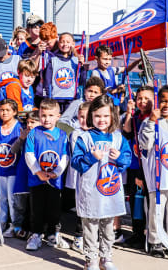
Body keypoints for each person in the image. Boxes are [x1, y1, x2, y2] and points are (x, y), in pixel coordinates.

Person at [71, 94, 132, 270]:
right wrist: (91, 157)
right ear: (91, 116)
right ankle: (91, 259)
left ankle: (106, 257)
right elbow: (76, 162)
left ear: (112, 116)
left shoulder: (118, 138)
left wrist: (120, 157)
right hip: (91, 192)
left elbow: (127, 159)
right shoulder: (85, 138)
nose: (102, 120)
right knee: (90, 227)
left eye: (106, 116)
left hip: (109, 191)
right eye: (97, 116)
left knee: (107, 227)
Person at [138, 84, 168, 258]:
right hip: (158, 178)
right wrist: (151, 121)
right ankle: (155, 241)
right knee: (156, 211)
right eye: (163, 101)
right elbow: (145, 145)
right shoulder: (149, 122)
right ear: (158, 101)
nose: (167, 105)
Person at [24, 99, 69, 251]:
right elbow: (29, 154)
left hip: (54, 181)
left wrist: (56, 173)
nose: (46, 119)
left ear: (58, 116)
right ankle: (36, 234)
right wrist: (38, 172)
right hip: (37, 180)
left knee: (54, 208)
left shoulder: (62, 135)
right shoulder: (34, 133)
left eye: (51, 115)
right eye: (43, 115)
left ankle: (52, 234)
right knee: (37, 208)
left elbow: (65, 157)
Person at [120, 85, 153, 249]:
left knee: (151, 202)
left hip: (150, 168)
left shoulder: (154, 119)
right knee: (136, 201)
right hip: (135, 166)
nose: (143, 101)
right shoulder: (135, 118)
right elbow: (126, 133)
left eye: (147, 98)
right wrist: (128, 112)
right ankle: (138, 233)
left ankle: (151, 233)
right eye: (140, 98)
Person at [0, 99, 23, 237]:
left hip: (13, 169)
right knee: (1, 197)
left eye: (8, 110)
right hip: (0, 168)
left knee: (12, 199)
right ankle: (1, 222)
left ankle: (14, 225)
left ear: (14, 112)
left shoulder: (18, 127)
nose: (4, 113)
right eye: (2, 110)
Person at [64, 101, 91, 253]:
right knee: (81, 208)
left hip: (93, 179)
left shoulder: (96, 132)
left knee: (90, 208)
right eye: (81, 117)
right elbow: (79, 156)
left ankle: (89, 236)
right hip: (79, 178)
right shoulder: (76, 133)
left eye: (88, 117)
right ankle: (79, 237)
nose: (84, 120)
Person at [10, 110, 41, 239]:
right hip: (23, 172)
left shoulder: (43, 136)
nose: (29, 125)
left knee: (34, 204)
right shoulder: (24, 135)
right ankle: (18, 226)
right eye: (28, 122)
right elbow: (13, 150)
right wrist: (21, 139)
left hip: (36, 173)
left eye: (33, 122)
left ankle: (33, 229)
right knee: (20, 202)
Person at [44, 32, 87, 113]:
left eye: (68, 42)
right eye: (62, 42)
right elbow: (47, 82)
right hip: (56, 99)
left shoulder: (76, 61)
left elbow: (82, 81)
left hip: (71, 99)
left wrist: (82, 67)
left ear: (73, 44)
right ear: (58, 43)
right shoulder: (53, 60)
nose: (65, 44)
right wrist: (47, 97)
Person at [0, 37, 21, 102]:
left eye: (1, 55)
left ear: (7, 48)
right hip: (2, 100)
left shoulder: (18, 59)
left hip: (16, 97)